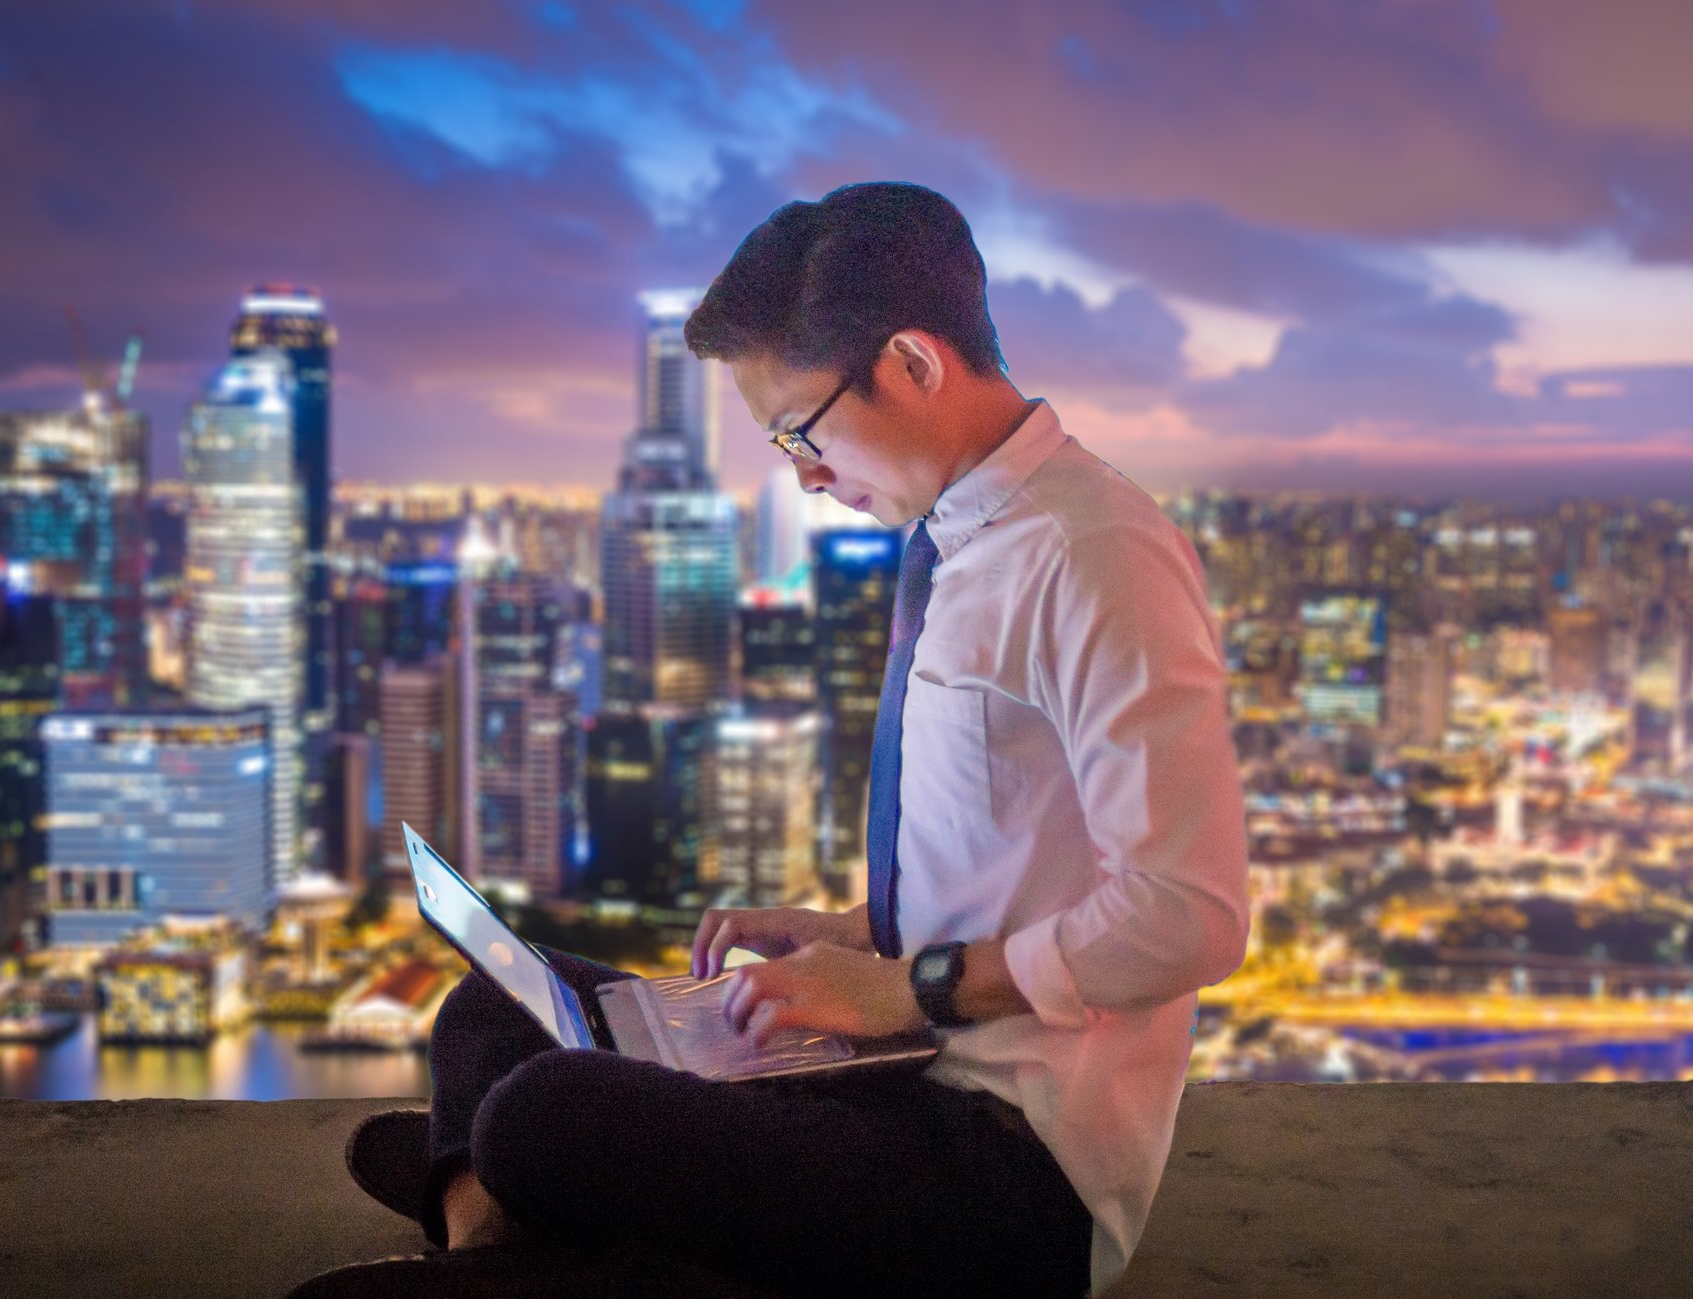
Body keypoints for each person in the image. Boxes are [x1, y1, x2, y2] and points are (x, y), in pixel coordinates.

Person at [312, 181, 1248, 1299]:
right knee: (492, 1007)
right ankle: (500, 1234)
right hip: (904, 1066)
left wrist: (902, 992)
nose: (801, 475)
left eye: (800, 431)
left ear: (911, 362)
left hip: (1008, 1171)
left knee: (537, 1116)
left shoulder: (1095, 557)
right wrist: (852, 936)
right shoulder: (956, 541)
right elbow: (1018, 861)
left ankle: (503, 1206)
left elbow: (1188, 917)